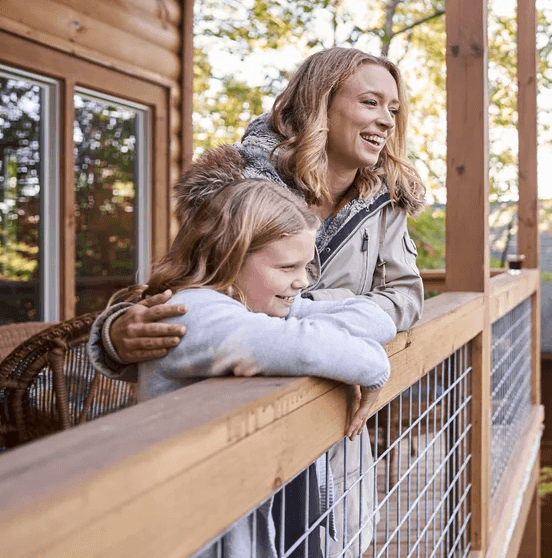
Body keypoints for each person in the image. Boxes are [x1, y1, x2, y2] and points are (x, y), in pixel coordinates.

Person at [85, 47, 426, 558]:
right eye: (371, 102)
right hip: (231, 423)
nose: (385, 120)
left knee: (334, 538)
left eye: (393, 110)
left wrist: (300, 310)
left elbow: (405, 296)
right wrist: (114, 333)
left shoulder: (387, 198)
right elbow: (188, 281)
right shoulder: (238, 185)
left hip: (333, 408)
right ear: (320, 104)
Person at [123, 178, 395, 558]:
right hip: (201, 528)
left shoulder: (256, 305)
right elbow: (303, 346)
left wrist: (296, 310)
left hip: (255, 501)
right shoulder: (193, 314)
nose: (301, 282)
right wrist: (375, 366)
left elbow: (376, 318)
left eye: (305, 265)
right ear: (231, 257)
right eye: (287, 267)